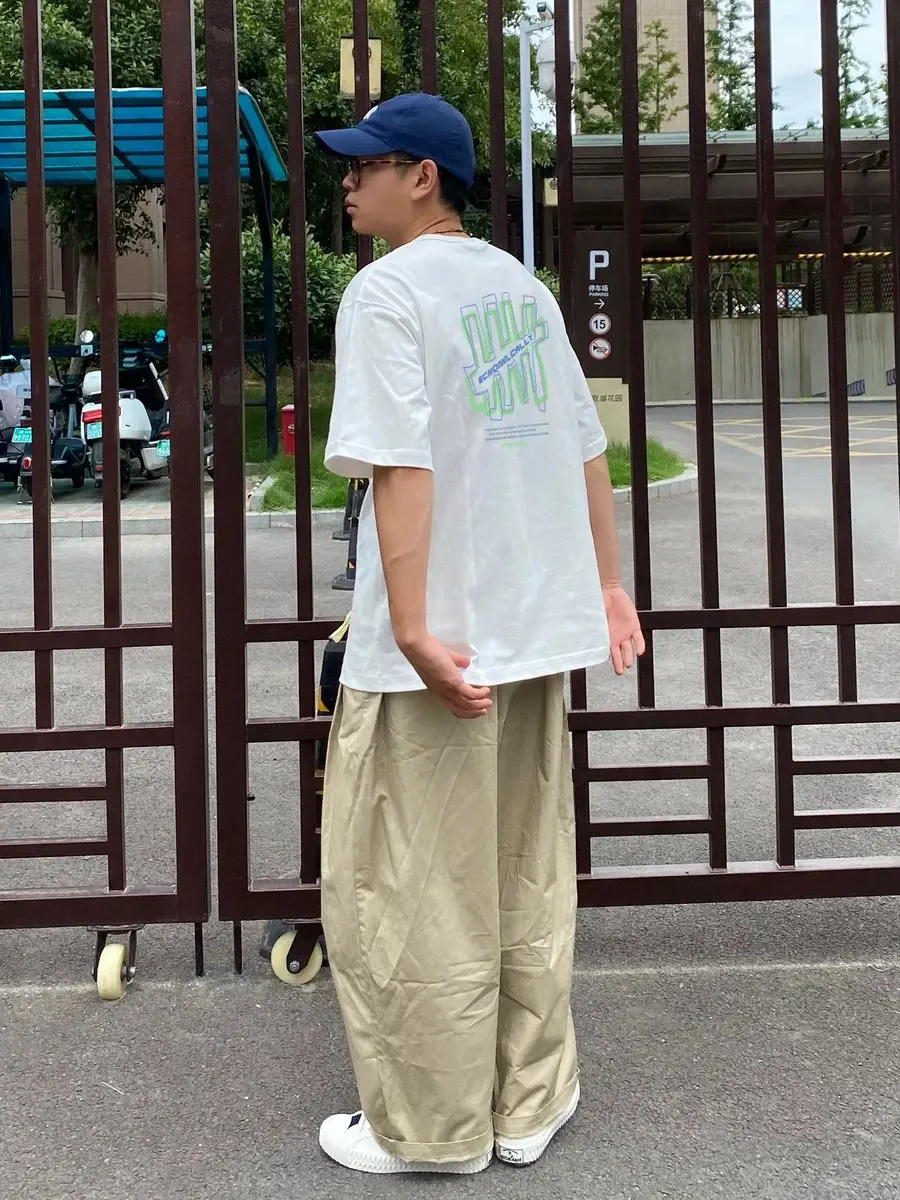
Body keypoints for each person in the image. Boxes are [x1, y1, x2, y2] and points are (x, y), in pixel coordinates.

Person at [313, 93, 644, 1176]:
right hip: (531, 635)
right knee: (525, 870)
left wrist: (411, 628)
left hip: (439, 651)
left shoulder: (386, 291)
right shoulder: (523, 290)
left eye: (367, 164)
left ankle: (432, 1129)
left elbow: (400, 465)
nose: (348, 181)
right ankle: (529, 1101)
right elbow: (585, 449)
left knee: (409, 887)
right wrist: (608, 587)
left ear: (423, 178)